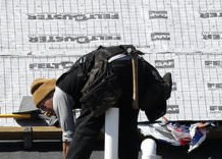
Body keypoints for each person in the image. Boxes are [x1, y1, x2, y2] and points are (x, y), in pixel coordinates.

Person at [30, 45, 172, 159]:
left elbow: (69, 137)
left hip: (111, 71)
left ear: (50, 94)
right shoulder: (75, 82)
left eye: (43, 106)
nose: (46, 111)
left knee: (86, 127)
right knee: (126, 130)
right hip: (136, 67)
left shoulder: (60, 92)